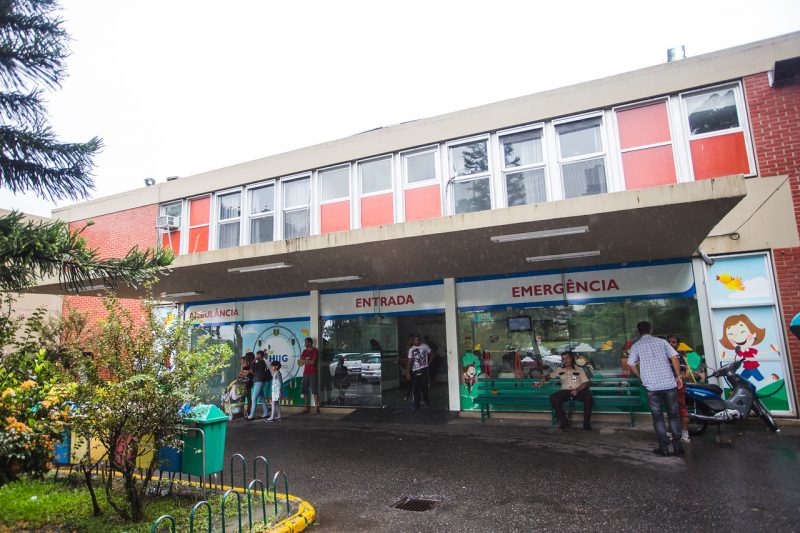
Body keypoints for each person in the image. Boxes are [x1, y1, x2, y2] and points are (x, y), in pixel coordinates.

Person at [628, 321, 683, 456]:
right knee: (674, 416)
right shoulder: (662, 342)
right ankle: (678, 447)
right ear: (650, 329)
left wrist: (641, 376)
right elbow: (675, 357)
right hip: (668, 384)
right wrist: (678, 376)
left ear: (638, 331)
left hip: (651, 386)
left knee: (657, 417)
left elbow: (630, 364)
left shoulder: (636, 346)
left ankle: (663, 448)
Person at [535, 352, 593, 430]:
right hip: (565, 392)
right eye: (563, 359)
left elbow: (586, 382)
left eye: (567, 358)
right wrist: (544, 378)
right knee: (554, 397)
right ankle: (564, 421)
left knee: (588, 396)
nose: (565, 360)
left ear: (571, 358)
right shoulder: (559, 369)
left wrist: (577, 390)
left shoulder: (579, 369)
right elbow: (550, 376)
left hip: (579, 390)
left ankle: (586, 423)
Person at [667, 335, 691, 443]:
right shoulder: (668, 356)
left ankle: (685, 435)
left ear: (677, 344)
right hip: (669, 386)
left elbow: (682, 373)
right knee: (672, 410)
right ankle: (673, 432)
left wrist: (678, 378)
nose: (671, 344)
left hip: (677, 386)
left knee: (680, 409)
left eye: (674, 342)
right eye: (669, 342)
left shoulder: (679, 357)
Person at [405, 335, 431, 410]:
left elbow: (432, 354)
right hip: (415, 371)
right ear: (413, 341)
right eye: (415, 340)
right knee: (416, 389)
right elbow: (409, 361)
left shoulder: (425, 346)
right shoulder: (411, 349)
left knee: (424, 387)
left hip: (424, 369)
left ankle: (426, 401)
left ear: (420, 340)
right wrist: (407, 372)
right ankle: (416, 405)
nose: (417, 341)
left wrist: (428, 363)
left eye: (418, 340)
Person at [246, 350, 272, 419]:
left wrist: (254, 359)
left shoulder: (261, 362)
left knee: (254, 398)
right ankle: (266, 413)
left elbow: (251, 366)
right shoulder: (261, 363)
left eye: (257, 355)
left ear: (260, 355)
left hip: (259, 382)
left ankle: (251, 415)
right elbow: (253, 369)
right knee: (262, 398)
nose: (256, 356)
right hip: (259, 381)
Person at [298, 337, 320, 414]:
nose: (305, 344)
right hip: (305, 373)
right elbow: (300, 362)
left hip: (313, 373)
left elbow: (313, 362)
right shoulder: (304, 351)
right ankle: (306, 408)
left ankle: (316, 408)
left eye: (306, 342)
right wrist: (307, 361)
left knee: (314, 391)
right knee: (305, 391)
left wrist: (305, 361)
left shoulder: (315, 351)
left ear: (310, 343)